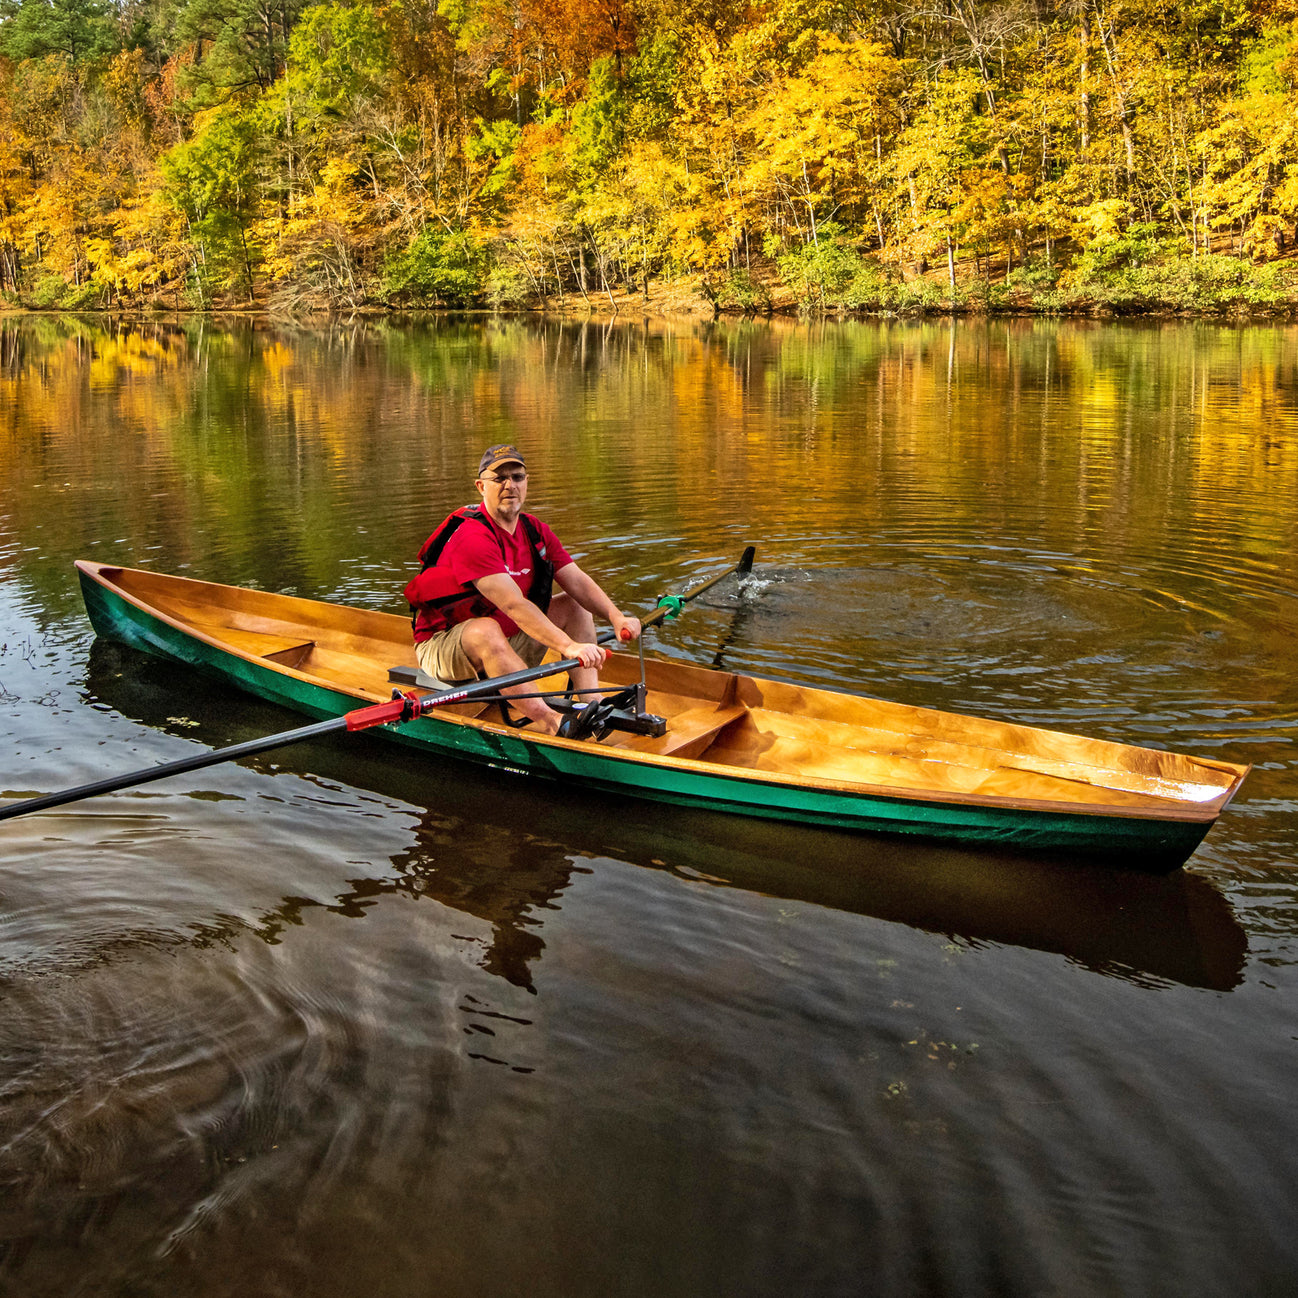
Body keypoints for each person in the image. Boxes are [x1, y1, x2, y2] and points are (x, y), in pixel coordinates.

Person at [406, 444, 641, 735]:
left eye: (517, 477)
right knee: (486, 630)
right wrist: (568, 646)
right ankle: (551, 722)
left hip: (506, 638)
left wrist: (617, 617)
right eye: (499, 479)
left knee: (574, 605)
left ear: (526, 482)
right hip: (442, 648)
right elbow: (514, 606)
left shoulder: (535, 530)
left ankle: (592, 704)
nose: (510, 486)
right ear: (481, 486)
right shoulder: (472, 537)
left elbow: (576, 580)